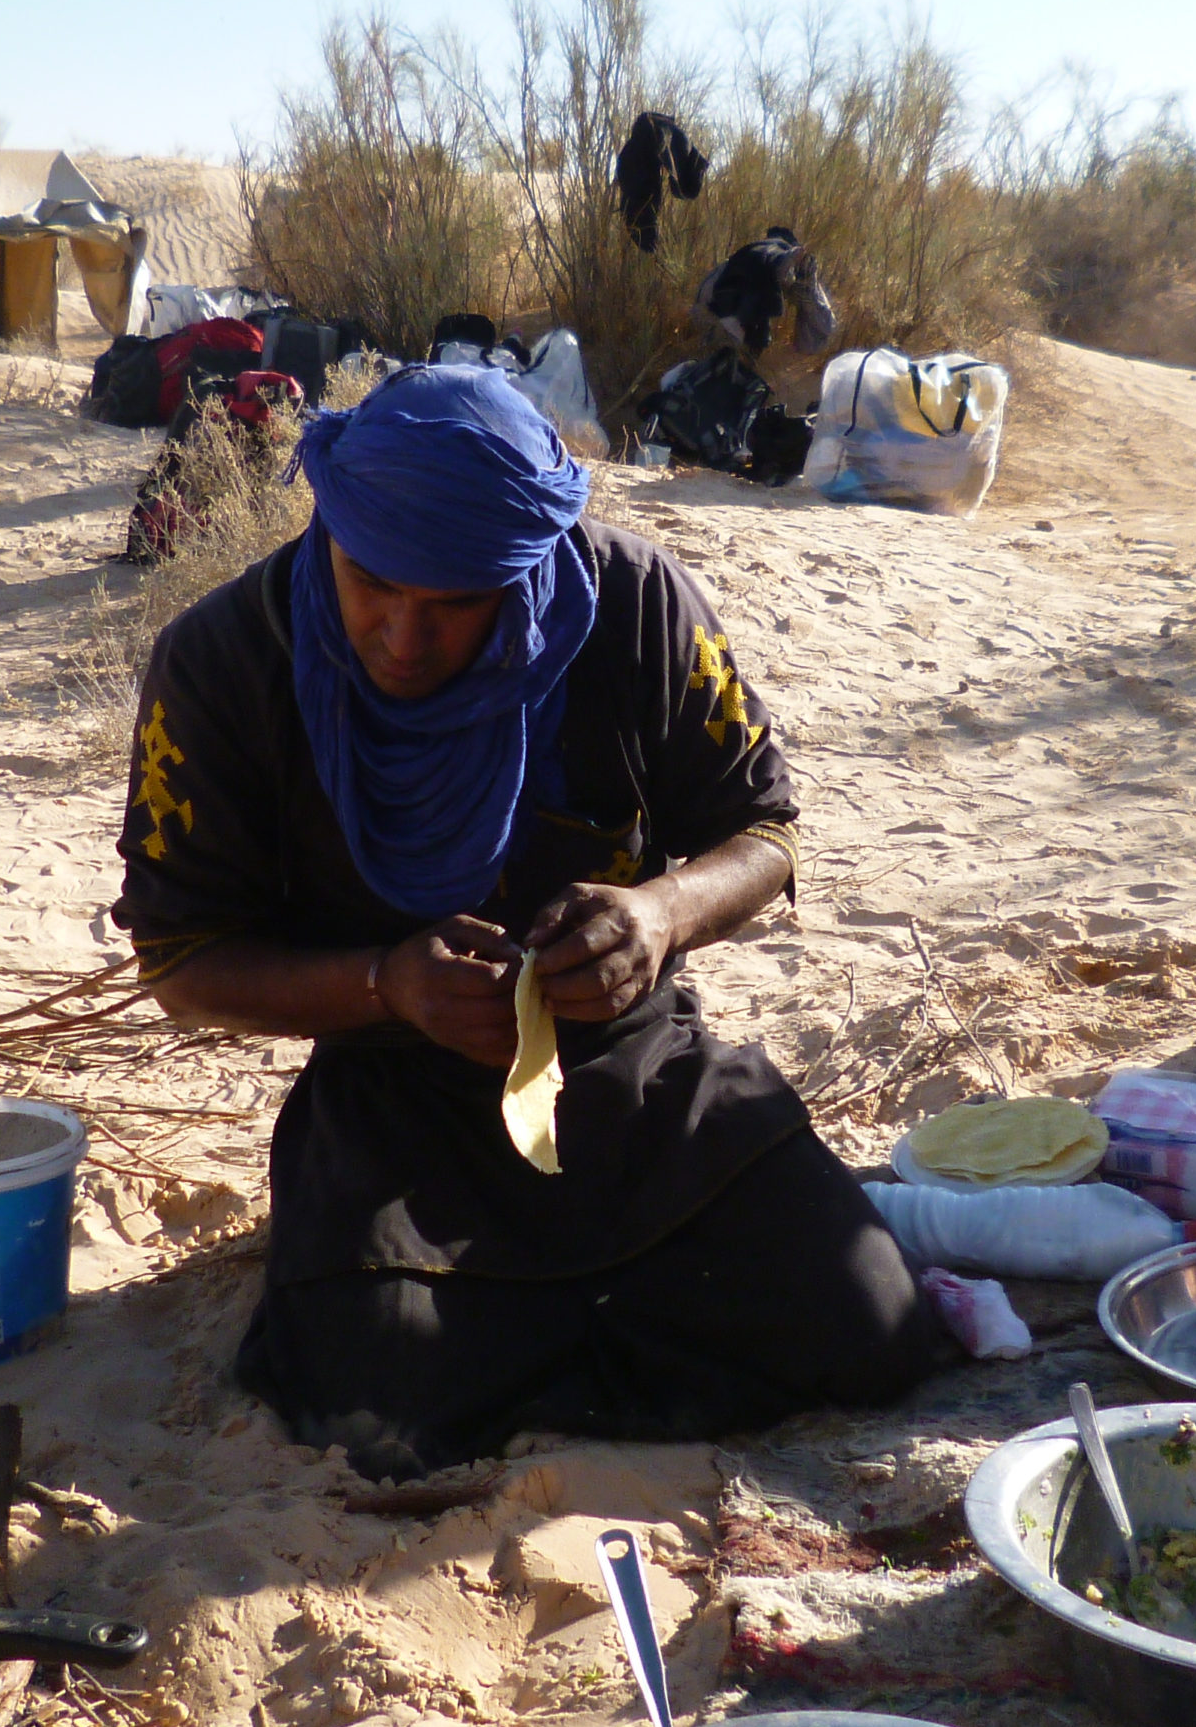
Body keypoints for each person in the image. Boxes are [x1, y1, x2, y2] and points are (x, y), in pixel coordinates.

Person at [113, 364, 945, 1478]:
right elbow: (180, 960)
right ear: (327, 528)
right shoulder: (221, 659)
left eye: (457, 602)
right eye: (370, 584)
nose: (402, 637)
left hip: (632, 1061)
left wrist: (658, 913)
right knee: (366, 1410)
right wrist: (381, 983)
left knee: (871, 1322)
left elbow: (766, 836)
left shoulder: (636, 602)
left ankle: (531, 1344)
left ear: (530, 565)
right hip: (388, 1087)